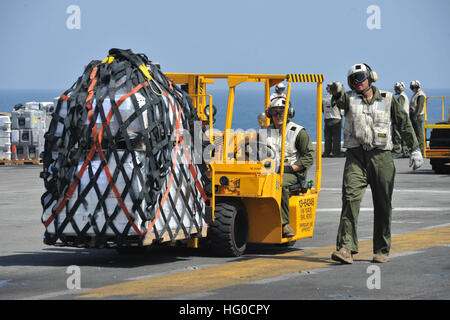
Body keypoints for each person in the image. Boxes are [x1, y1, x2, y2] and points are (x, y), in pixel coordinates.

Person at [329, 63, 423, 264]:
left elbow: (404, 123)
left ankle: (381, 249)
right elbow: (339, 98)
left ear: (371, 77)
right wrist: (336, 90)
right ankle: (345, 248)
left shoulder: (388, 99)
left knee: (383, 204)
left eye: (361, 77)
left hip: (381, 157)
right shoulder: (349, 99)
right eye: (353, 80)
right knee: (350, 199)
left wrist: (415, 149)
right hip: (356, 156)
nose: (358, 82)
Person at [265, 97, 314, 237]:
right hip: (268, 171)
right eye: (275, 112)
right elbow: (256, 152)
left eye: (282, 112)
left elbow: (309, 157)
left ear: (289, 113)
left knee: (278, 184)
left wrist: (292, 168)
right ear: (270, 115)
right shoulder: (265, 132)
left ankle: (284, 224)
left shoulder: (298, 132)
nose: (278, 116)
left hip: (292, 173)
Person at [323, 83, 344, 157]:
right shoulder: (337, 99)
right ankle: (336, 152)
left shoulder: (324, 99)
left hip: (327, 120)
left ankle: (326, 152)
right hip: (336, 119)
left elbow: (322, 110)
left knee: (327, 137)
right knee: (336, 137)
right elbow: (342, 110)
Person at [392, 82, 411, 158]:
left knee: (397, 134)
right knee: (404, 134)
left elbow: (398, 108)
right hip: (405, 118)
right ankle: (405, 150)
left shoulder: (401, 97)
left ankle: (397, 151)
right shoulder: (404, 96)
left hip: (400, 118)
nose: (395, 90)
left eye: (396, 89)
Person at [409, 80, 426, 154]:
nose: (412, 89)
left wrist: (415, 116)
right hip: (414, 115)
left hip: (417, 116)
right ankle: (417, 148)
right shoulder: (416, 94)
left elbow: (420, 107)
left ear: (416, 87)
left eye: (413, 87)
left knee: (419, 133)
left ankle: (421, 149)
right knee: (415, 132)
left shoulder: (421, 95)